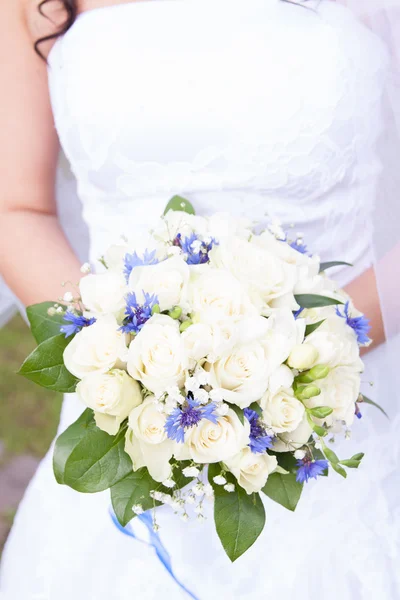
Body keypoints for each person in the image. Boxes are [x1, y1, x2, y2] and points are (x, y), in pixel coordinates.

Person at [0, 1, 399, 598]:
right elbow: (15, 208)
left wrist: (297, 361)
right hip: (128, 405)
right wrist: (119, 352)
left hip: (345, 390)